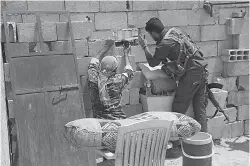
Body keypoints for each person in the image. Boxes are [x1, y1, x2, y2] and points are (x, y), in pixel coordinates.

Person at [138, 17, 208, 157]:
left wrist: (144, 46)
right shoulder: (174, 31)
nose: (152, 38)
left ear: (153, 33)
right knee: (199, 109)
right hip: (201, 70)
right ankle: (204, 144)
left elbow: (152, 63)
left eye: (151, 35)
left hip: (190, 76)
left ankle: (176, 147)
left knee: (178, 110)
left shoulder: (165, 43)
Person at [87, 39, 134, 120]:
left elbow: (92, 63)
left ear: (101, 67)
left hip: (100, 121)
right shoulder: (118, 80)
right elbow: (130, 72)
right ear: (115, 69)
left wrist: (105, 48)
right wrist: (126, 53)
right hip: (118, 120)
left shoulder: (93, 79)